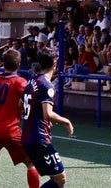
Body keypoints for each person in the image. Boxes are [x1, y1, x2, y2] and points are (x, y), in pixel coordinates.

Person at [0, 49, 39, 188]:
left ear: (2, 64)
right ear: (19, 65)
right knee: (30, 163)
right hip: (11, 131)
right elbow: (31, 102)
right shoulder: (20, 82)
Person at [21, 52, 74, 188]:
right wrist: (66, 121)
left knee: (56, 178)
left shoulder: (32, 81)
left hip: (27, 137)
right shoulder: (47, 85)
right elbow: (48, 114)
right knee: (60, 180)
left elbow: (21, 105)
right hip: (39, 139)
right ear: (55, 64)